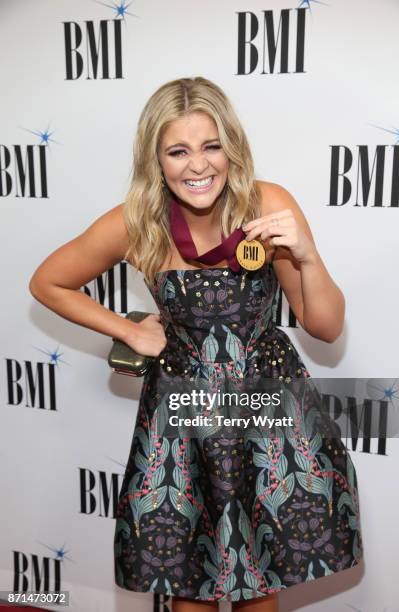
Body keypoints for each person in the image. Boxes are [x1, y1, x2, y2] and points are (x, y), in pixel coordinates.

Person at [29, 76, 363, 611]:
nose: (198, 165)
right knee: (190, 584)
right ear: (155, 160)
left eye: (211, 146)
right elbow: (48, 281)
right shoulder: (138, 223)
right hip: (183, 419)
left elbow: (325, 326)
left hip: (264, 411)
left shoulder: (266, 203)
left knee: (259, 581)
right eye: (178, 151)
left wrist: (307, 254)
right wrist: (129, 329)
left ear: (231, 147)